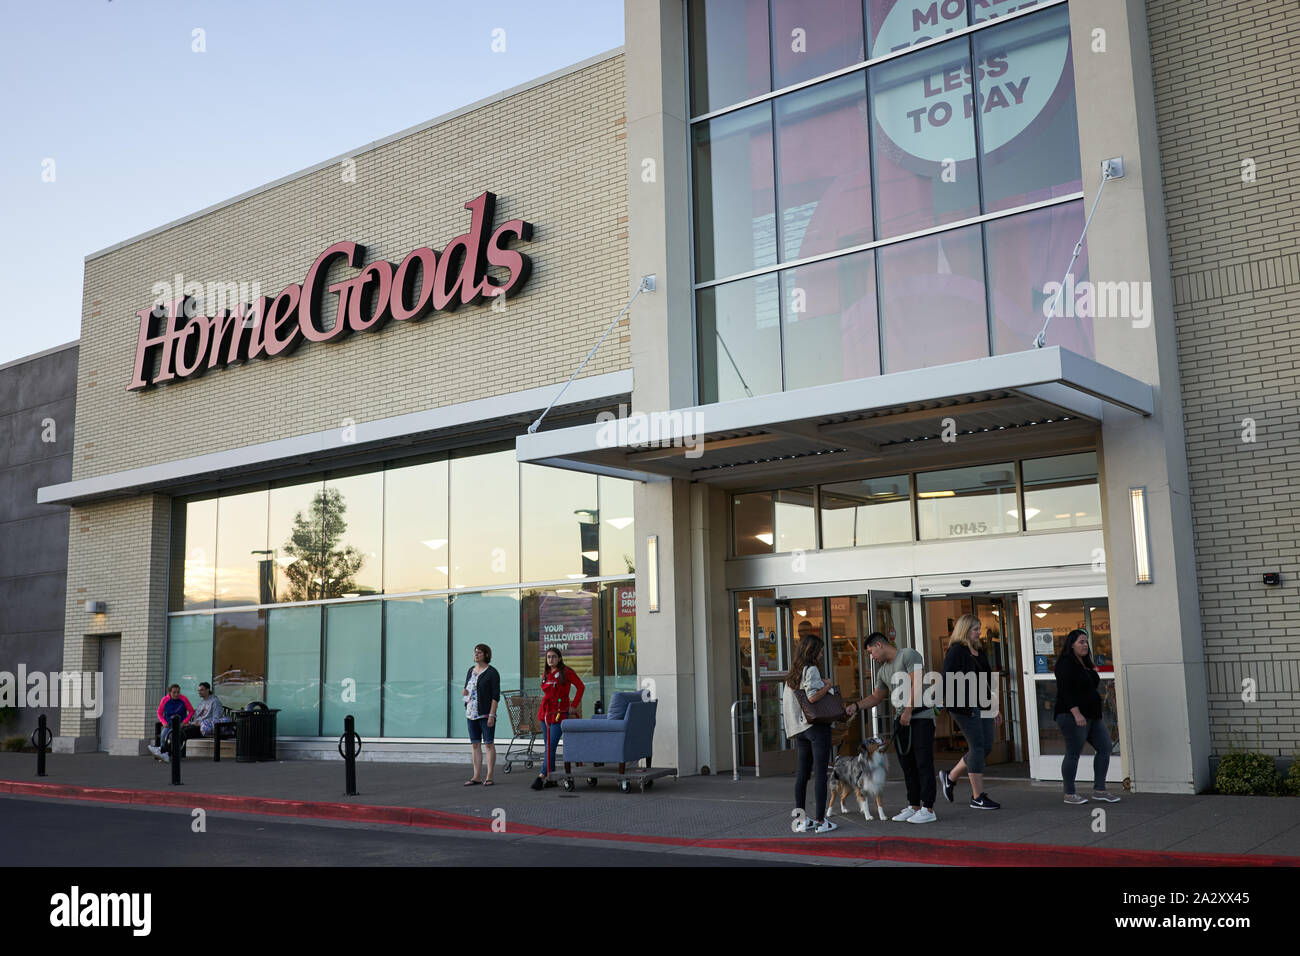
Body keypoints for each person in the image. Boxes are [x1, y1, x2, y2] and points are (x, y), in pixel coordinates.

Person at [846, 632, 937, 823]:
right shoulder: (883, 671)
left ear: (879, 645)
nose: (872, 657)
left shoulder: (908, 655)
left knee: (923, 763)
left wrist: (909, 710)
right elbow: (876, 697)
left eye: (871, 652)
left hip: (921, 717)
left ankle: (928, 809)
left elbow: (917, 681)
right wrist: (856, 706)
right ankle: (914, 806)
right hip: (902, 719)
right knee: (907, 765)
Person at [937, 613, 1004, 810]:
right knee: (977, 747)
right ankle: (977, 796)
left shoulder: (978, 651)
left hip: (982, 705)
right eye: (976, 629)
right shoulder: (956, 651)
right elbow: (946, 678)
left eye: (979, 628)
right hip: (963, 708)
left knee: (986, 748)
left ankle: (950, 777)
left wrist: (994, 707)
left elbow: (987, 682)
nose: (979, 632)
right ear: (965, 630)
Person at [1054, 629, 1120, 804]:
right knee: (1073, 753)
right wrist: (1076, 714)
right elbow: (1065, 692)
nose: (1085, 645)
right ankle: (1069, 794)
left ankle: (1100, 790)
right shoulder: (1065, 664)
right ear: (1072, 644)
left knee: (1105, 747)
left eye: (1086, 642)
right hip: (1072, 715)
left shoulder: (1085, 663)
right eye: (1081, 642)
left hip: (1093, 715)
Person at [782, 633, 838, 833]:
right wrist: (828, 686)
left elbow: (801, 694)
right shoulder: (811, 668)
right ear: (813, 651)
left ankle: (801, 820)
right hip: (815, 727)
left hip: (800, 730)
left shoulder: (793, 673)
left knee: (802, 774)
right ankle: (822, 821)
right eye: (821, 650)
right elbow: (812, 697)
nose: (822, 654)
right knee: (821, 773)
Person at [531, 648, 584, 791]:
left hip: (559, 713)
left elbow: (580, 687)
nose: (550, 659)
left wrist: (573, 705)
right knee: (549, 746)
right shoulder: (546, 673)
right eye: (548, 657)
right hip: (546, 714)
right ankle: (551, 777)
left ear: (559, 658)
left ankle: (542, 775)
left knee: (551, 746)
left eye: (554, 657)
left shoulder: (567, 672)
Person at [463, 644, 500, 786]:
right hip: (471, 713)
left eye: (479, 652)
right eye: (475, 652)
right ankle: (476, 776)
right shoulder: (470, 671)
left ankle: (489, 775)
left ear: (486, 655)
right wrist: (465, 693)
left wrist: (492, 714)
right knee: (475, 744)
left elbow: (495, 696)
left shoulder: (492, 673)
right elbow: (468, 688)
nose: (476, 654)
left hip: (485, 713)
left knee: (489, 744)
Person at [148, 684, 194, 760]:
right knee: (163, 734)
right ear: (170, 692)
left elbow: (191, 711)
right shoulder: (165, 700)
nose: (176, 694)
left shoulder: (184, 699)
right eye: (174, 692)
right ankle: (162, 751)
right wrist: (163, 722)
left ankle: (161, 750)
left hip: (179, 724)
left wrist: (184, 722)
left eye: (178, 692)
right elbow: (159, 712)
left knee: (172, 736)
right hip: (169, 724)